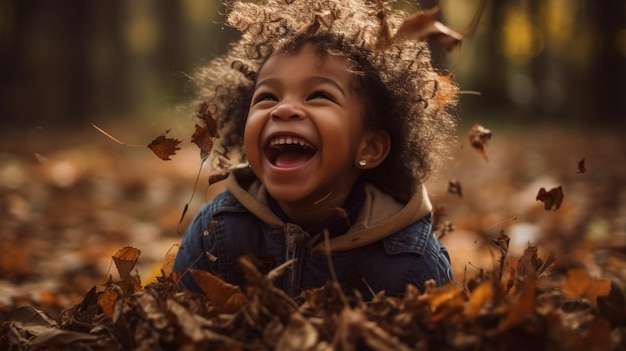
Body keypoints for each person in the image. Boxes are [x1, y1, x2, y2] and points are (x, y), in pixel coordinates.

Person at [173, 0, 458, 300]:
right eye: (267, 97)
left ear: (370, 147)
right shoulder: (217, 234)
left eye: (319, 95)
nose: (283, 110)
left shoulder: (412, 263)